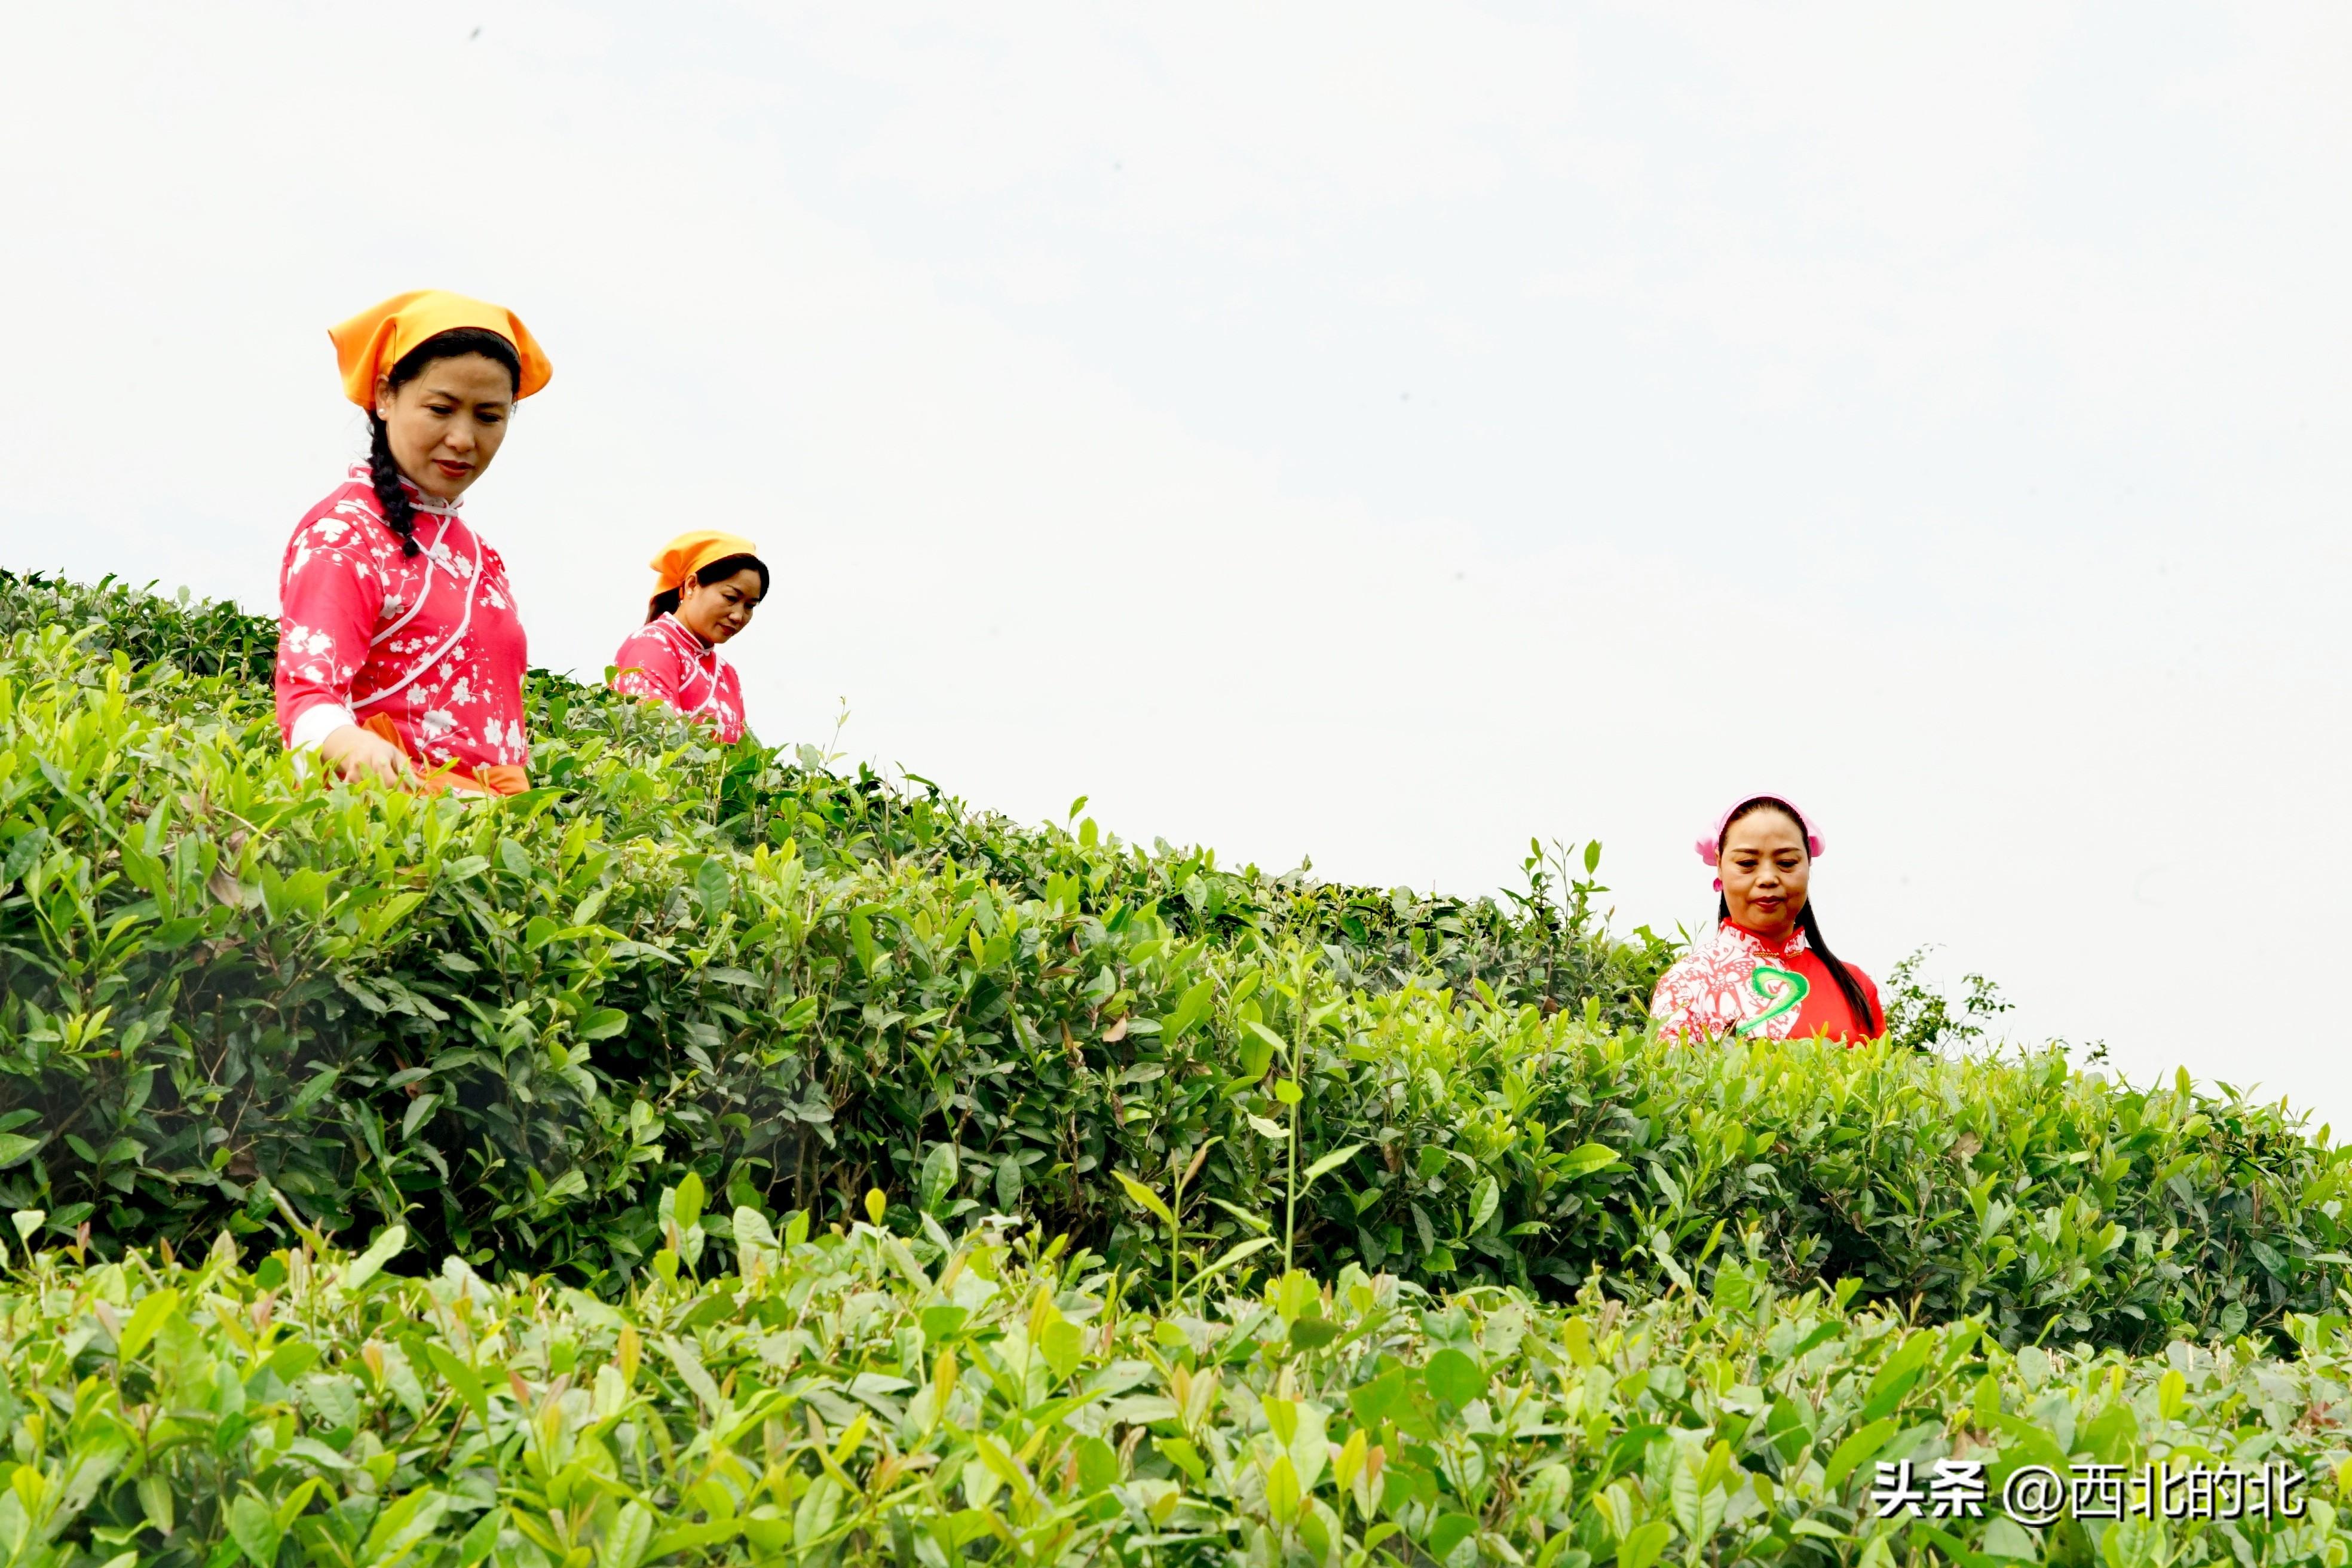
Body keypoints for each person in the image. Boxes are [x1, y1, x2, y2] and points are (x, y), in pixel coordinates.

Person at [275, 290, 552, 795]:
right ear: (385, 396)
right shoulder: (345, 535)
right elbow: (306, 697)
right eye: (441, 409)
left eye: (489, 417)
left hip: (495, 835)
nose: (464, 439)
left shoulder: (481, 556)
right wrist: (352, 745)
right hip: (401, 830)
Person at [1649, 794, 1883, 1044]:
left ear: (1808, 863)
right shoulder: (1687, 983)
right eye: (1748, 863)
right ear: (1719, 864)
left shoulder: (1855, 985)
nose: (1768, 878)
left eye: (1786, 862)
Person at [608, 531, 767, 743]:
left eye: (750, 606)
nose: (738, 616)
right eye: (731, 598)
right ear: (692, 585)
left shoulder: (728, 675)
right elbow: (658, 740)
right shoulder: (652, 645)